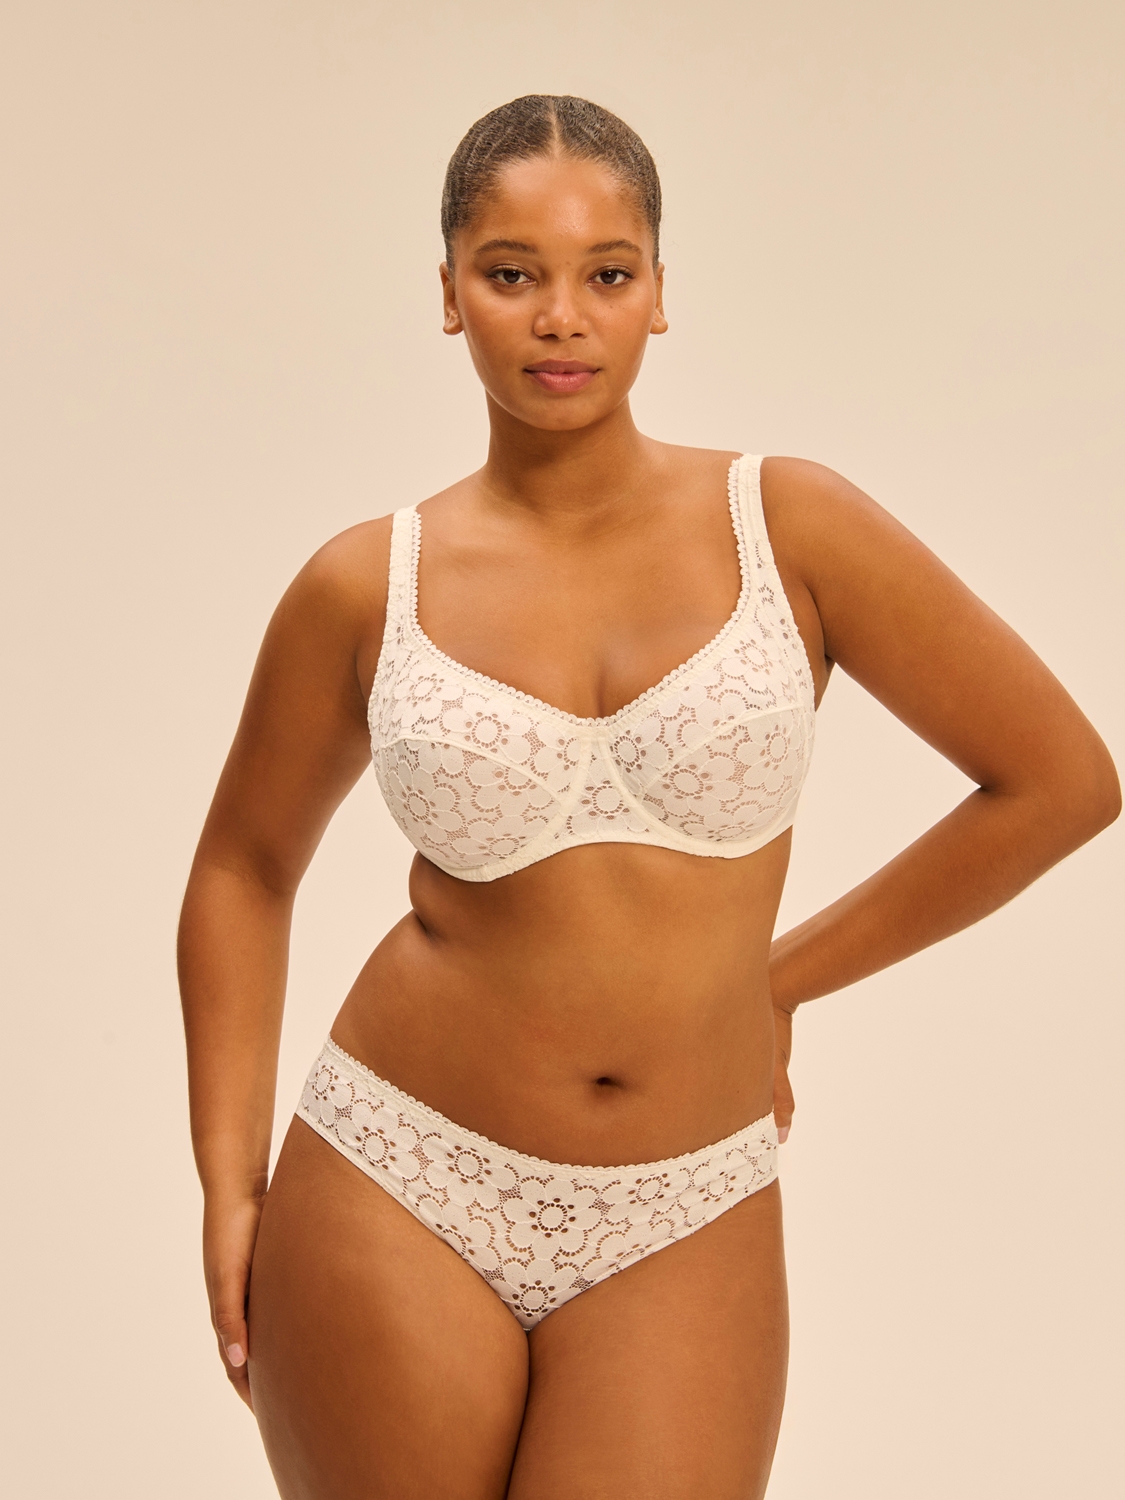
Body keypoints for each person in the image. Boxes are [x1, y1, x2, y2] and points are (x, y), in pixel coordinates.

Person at [178, 94, 1119, 1500]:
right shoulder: (365, 583)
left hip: (685, 1202)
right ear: (449, 293)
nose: (560, 317)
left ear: (659, 294)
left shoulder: (789, 527)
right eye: (512, 273)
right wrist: (230, 1180)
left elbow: (1059, 783)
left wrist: (778, 981)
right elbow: (243, 868)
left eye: (605, 273)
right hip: (394, 1174)